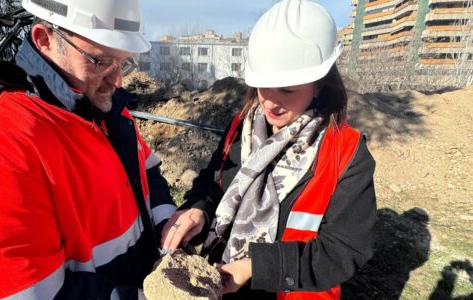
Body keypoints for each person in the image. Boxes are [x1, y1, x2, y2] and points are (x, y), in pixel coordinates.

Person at [0, 0, 176, 298]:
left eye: (122, 63)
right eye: (99, 61)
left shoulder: (108, 113)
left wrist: (168, 225)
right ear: (44, 40)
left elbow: (147, 173)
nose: (117, 80)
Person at [161, 0, 377, 299]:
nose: (270, 103)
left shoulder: (347, 153)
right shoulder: (242, 126)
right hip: (223, 285)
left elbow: (343, 250)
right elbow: (213, 182)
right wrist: (199, 209)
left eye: (288, 90)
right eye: (263, 87)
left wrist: (256, 267)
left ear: (319, 84)